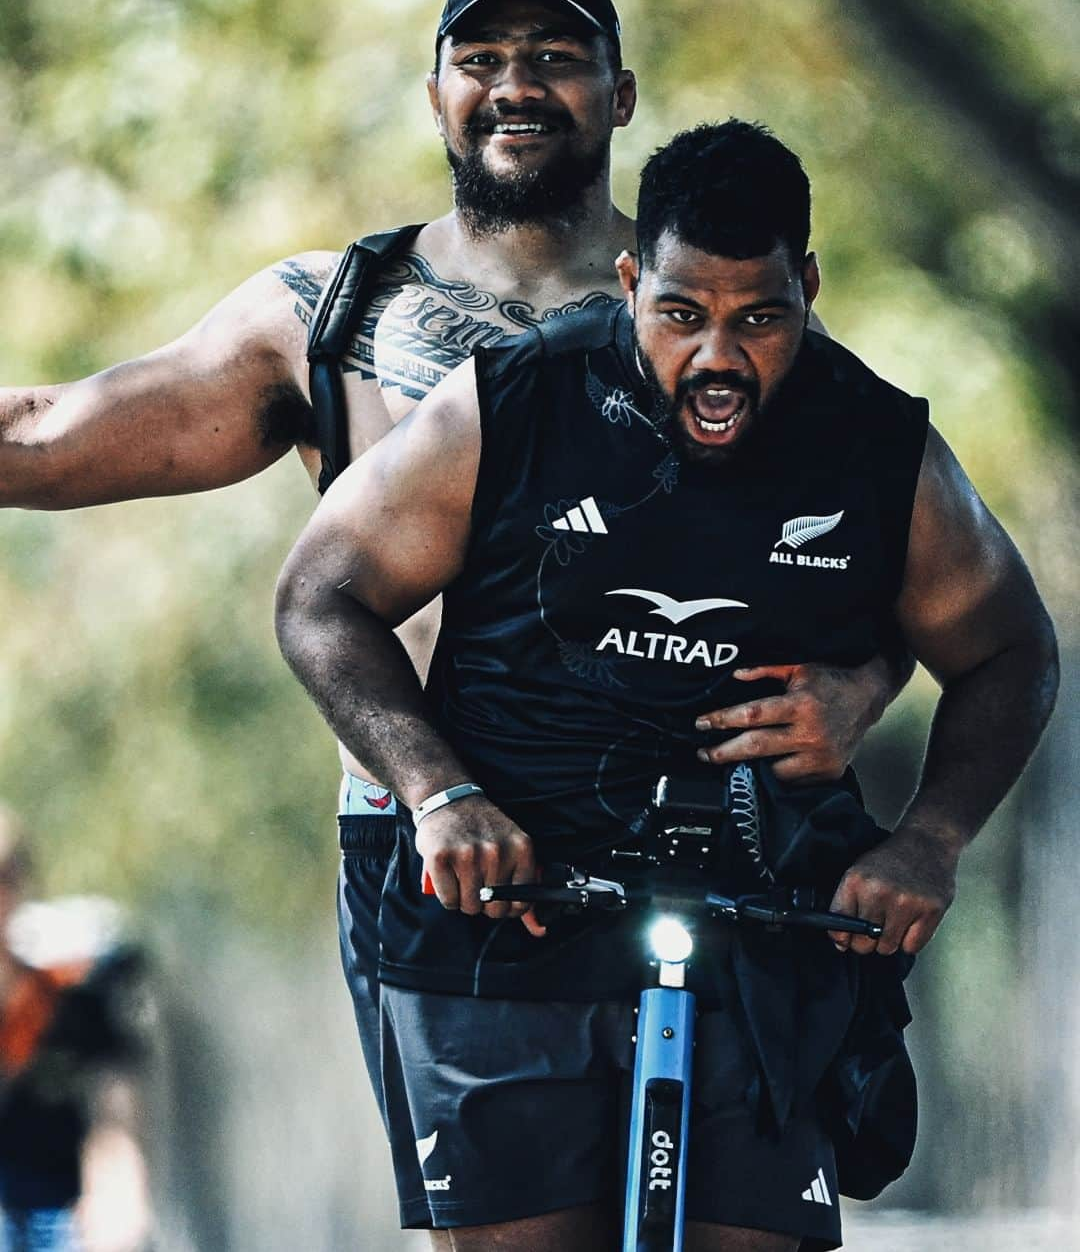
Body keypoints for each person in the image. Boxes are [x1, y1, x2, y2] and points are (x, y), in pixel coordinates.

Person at [1, 0, 902, 1222]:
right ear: (437, 97)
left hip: (707, 840)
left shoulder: (722, 306)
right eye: (481, 61)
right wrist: (438, 792)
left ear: (620, 93)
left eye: (554, 59)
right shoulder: (333, 317)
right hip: (443, 855)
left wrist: (868, 681)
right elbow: (45, 432)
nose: (516, 87)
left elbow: (893, 557)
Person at [274, 119, 1059, 1252]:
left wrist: (928, 839)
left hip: (764, 919)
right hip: (507, 918)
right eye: (681, 316)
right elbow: (319, 599)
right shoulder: (512, 403)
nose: (719, 360)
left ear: (811, 289)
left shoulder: (882, 448)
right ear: (633, 279)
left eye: (762, 319)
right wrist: (440, 795)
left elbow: (1012, 651)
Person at [0, 808, 152, 1252]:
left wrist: (120, 1193)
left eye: (6, 882)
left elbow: (114, 1114)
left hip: (60, 1210)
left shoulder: (67, 998)